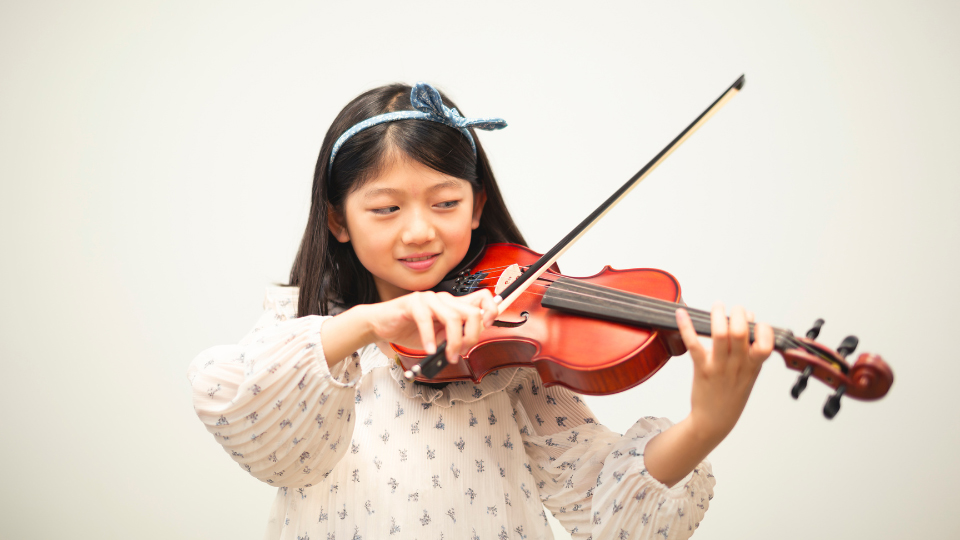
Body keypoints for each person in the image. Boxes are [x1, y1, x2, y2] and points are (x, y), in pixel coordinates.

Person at [188, 82, 774, 540]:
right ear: (339, 219)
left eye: (445, 203)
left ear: (476, 208)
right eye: (386, 208)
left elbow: (596, 504)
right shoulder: (306, 343)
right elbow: (245, 417)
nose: (418, 230)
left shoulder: (500, 352)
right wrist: (367, 324)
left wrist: (705, 427)